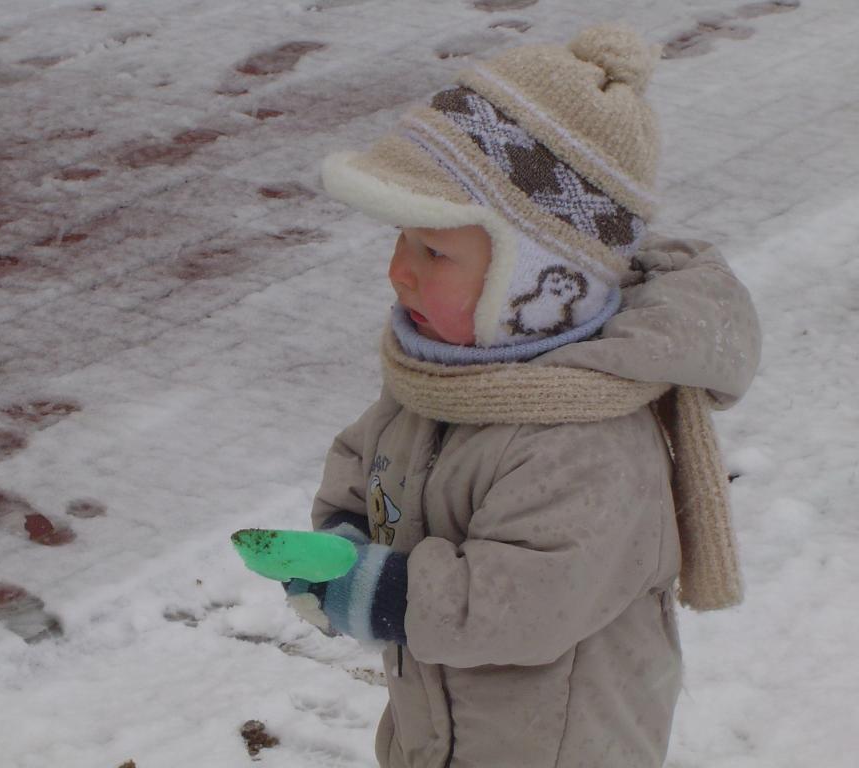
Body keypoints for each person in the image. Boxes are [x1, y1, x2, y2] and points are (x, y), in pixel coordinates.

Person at [283, 23, 761, 768]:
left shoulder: (584, 439)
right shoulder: (444, 379)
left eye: (433, 251)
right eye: (403, 242)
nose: (398, 272)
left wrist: (374, 593)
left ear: (535, 284)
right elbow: (366, 459)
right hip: (437, 733)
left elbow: (527, 603)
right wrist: (342, 534)